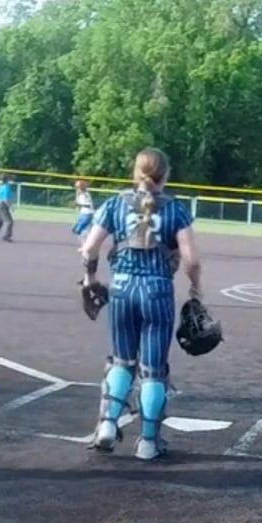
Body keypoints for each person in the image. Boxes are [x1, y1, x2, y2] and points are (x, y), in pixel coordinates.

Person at [77, 147, 205, 461]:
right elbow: (191, 261)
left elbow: (89, 249)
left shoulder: (114, 204)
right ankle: (148, 443)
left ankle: (108, 425)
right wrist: (196, 289)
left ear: (135, 173)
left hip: (121, 289)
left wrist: (90, 278)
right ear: (166, 175)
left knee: (122, 361)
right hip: (157, 292)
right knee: (153, 370)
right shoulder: (176, 211)